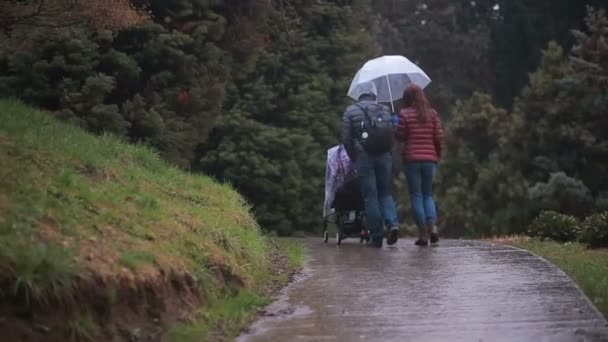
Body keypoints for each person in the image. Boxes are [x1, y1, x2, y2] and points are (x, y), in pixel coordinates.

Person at [341, 81, 400, 248]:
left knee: (370, 197)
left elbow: (346, 139)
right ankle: (392, 223)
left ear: (358, 94)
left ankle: (376, 238)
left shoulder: (351, 111)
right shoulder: (385, 109)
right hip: (384, 156)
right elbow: (392, 133)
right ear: (374, 94)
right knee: (385, 193)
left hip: (364, 156)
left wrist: (355, 156)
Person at [395, 84, 443, 246]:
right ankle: (433, 227)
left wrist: (397, 125)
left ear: (407, 98)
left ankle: (423, 234)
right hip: (430, 159)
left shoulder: (405, 114)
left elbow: (400, 136)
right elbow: (438, 137)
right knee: (427, 195)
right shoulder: (433, 114)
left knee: (416, 196)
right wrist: (437, 155)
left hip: (412, 160)